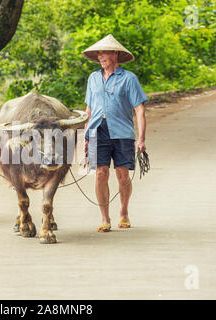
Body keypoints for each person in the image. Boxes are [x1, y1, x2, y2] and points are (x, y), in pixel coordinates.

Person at [82, 34, 148, 232]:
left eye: (105, 52)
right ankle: (105, 218)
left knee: (122, 174)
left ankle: (124, 212)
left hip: (122, 132)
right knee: (101, 173)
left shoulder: (129, 79)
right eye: (99, 53)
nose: (101, 56)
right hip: (97, 131)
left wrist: (141, 138)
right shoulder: (93, 78)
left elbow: (139, 109)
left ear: (116, 54)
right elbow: (89, 110)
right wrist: (84, 138)